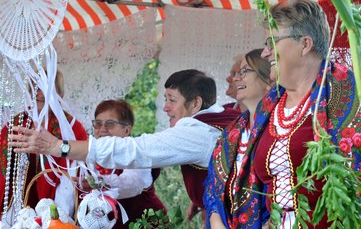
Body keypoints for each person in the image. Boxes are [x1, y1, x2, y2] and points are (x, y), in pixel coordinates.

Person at [9, 69, 239, 227]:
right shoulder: (222, 119)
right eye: (97, 124)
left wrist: (59, 146)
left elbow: (137, 154)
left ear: (196, 103)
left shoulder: (198, 130)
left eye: (171, 100)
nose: (166, 108)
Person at [209, 0, 361, 228]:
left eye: (272, 41)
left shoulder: (347, 94)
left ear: (305, 44)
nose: (265, 52)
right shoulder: (268, 108)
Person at [0, 70, 88, 225]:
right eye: (36, 87)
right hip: (17, 203)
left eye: (48, 88)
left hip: (56, 204)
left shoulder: (71, 127)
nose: (41, 93)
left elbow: (77, 171)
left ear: (60, 94)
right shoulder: (15, 124)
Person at [203, 49, 272, 229]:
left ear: (268, 80)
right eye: (237, 73)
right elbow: (212, 185)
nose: (235, 78)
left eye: (245, 72)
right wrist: (216, 221)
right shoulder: (231, 133)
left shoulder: (278, 130)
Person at [87, 99, 166, 228]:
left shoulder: (137, 154)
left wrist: (103, 183)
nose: (102, 129)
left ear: (127, 130)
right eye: (98, 124)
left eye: (110, 124)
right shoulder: (90, 158)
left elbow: (133, 183)